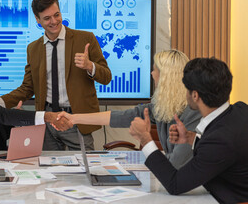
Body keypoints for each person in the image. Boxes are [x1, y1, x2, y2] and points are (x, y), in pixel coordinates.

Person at [0, 0, 112, 151]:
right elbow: (27, 88)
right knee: (48, 171)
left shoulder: (85, 39)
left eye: (56, 15)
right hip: (48, 120)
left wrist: (90, 66)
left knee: (85, 170)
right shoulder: (33, 48)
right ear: (37, 20)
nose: (54, 21)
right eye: (47, 18)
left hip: (76, 119)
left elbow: (107, 77)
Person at [129, 57, 248, 203]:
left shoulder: (219, 140)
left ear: (195, 95)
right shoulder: (241, 109)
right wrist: (191, 138)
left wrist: (145, 139)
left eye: (186, 88)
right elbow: (224, 153)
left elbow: (175, 184)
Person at [58, 50, 202, 169]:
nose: (152, 73)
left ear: (166, 77)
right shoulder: (163, 106)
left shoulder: (193, 111)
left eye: (155, 69)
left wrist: (144, 139)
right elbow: (120, 116)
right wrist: (74, 118)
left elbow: (177, 164)